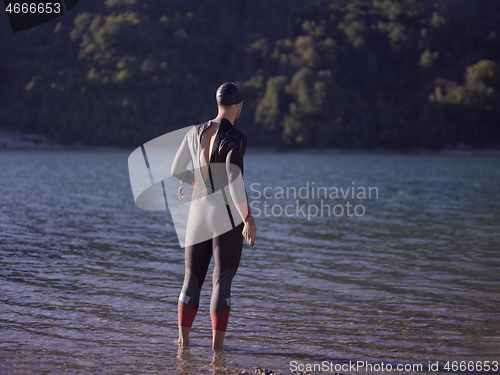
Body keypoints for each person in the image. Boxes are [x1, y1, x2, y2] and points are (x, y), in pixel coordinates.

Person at [171, 82, 257, 351]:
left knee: (192, 278)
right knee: (222, 279)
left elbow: (176, 169)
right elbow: (233, 179)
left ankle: (183, 344)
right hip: (225, 216)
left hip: (197, 213)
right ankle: (217, 350)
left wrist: (196, 182)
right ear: (238, 105)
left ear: (218, 104)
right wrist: (248, 218)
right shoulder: (236, 138)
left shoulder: (194, 132)